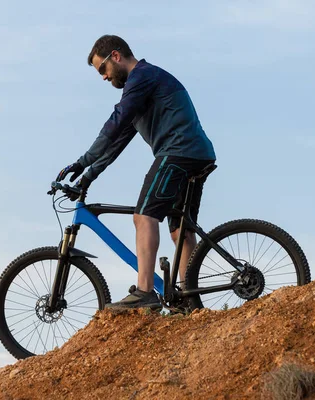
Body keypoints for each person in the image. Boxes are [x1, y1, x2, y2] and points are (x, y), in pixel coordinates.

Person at [56, 35, 216, 310]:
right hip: (196, 153)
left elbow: (114, 124)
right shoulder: (142, 88)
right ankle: (190, 300)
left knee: (144, 216)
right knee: (180, 229)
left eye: (102, 70)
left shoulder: (142, 78)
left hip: (178, 151)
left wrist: (82, 161)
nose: (104, 78)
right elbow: (116, 144)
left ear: (115, 56)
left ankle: (145, 292)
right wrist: (86, 177)